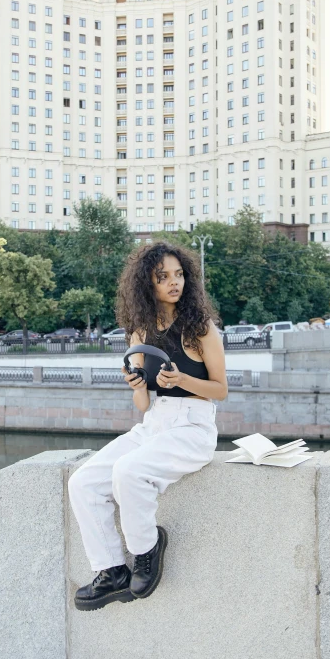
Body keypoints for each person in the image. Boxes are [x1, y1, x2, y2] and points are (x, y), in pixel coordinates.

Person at [68, 241, 228, 611]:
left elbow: (220, 390)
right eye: (163, 277)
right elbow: (143, 404)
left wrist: (182, 381)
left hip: (192, 428)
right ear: (147, 284)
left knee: (129, 472)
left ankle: (147, 548)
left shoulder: (201, 329)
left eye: (179, 275)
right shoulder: (140, 331)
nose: (175, 283)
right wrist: (138, 386)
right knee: (84, 482)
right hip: (153, 424)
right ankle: (110, 571)